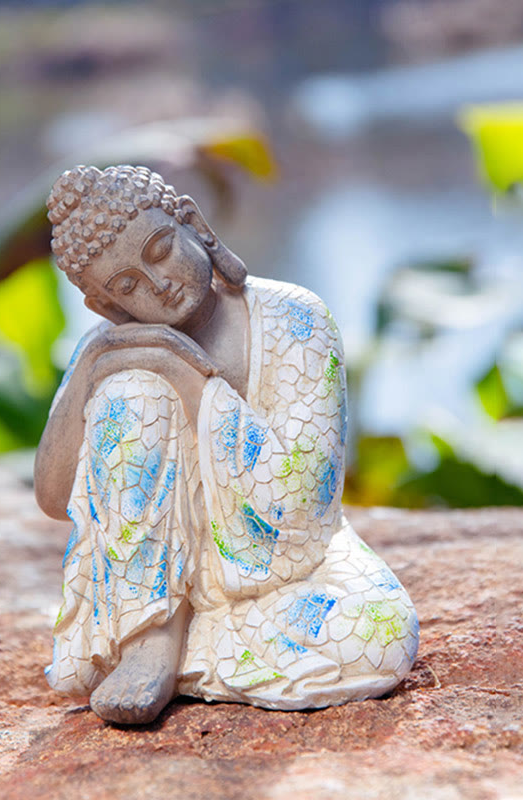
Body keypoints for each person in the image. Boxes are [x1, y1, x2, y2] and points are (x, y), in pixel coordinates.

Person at [35, 165, 419, 725]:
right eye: (126, 286)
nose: (158, 283)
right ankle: (147, 639)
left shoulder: (296, 319)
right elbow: (52, 496)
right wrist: (94, 363)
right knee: (128, 388)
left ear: (194, 223)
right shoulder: (111, 348)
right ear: (104, 305)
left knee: (378, 632)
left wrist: (189, 377)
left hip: (288, 570)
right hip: (155, 582)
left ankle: (164, 643)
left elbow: (306, 511)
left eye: (161, 249)